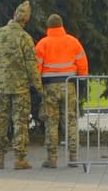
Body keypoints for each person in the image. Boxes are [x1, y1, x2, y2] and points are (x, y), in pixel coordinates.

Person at [0, 0, 42, 170]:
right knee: (20, 122)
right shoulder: (25, 38)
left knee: (0, 120)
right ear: (26, 20)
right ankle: (19, 159)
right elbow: (32, 66)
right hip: (20, 88)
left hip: (0, 87)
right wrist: (39, 87)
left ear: (13, 16)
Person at [34, 12, 88, 168]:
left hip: (50, 86)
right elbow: (82, 62)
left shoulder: (43, 44)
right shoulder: (73, 42)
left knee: (51, 121)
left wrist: (37, 85)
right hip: (69, 85)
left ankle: (52, 158)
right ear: (62, 25)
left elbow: (36, 67)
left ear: (48, 27)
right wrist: (82, 79)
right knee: (70, 120)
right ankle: (73, 157)